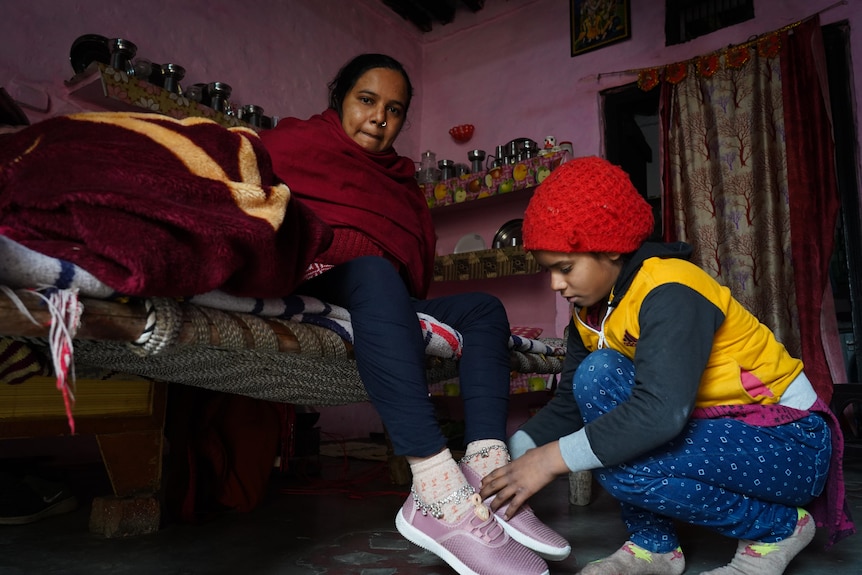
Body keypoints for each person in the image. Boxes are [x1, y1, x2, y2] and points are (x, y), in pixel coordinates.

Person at [259, 53, 569, 575]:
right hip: (316, 280)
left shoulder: (400, 179)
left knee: (483, 309)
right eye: (367, 100)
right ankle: (435, 490)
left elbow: (408, 261)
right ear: (340, 101)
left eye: (395, 109)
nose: (380, 117)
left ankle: (489, 475)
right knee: (374, 269)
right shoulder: (292, 144)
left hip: (379, 296)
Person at [479, 156, 855, 575]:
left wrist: (548, 461)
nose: (555, 284)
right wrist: (505, 463)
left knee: (617, 465)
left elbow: (660, 413)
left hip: (790, 443)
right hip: (716, 434)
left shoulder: (671, 288)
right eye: (547, 271)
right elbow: (569, 405)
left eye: (565, 268)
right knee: (597, 376)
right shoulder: (591, 315)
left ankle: (776, 529)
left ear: (612, 250)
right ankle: (653, 546)